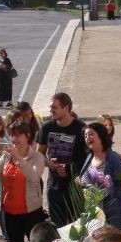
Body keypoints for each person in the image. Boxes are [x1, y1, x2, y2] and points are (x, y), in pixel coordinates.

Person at [0, 121, 47, 242]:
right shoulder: (6, 156)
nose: (14, 139)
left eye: (18, 135)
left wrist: (19, 158)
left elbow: (34, 177)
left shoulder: (37, 157)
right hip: (9, 213)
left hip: (31, 212)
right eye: (12, 135)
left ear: (28, 136)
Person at [37, 93, 86, 227]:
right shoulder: (47, 127)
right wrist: (50, 164)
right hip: (54, 187)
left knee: (77, 227)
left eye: (54, 107)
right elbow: (40, 154)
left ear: (66, 108)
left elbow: (88, 158)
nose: (51, 111)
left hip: (75, 188)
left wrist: (69, 169)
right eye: (50, 107)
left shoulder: (81, 129)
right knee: (58, 227)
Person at [79, 122, 121, 230]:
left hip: (112, 219)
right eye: (85, 136)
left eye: (91, 134)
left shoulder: (114, 159)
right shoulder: (89, 157)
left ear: (101, 136)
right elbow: (87, 181)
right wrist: (81, 181)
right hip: (93, 217)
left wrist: (106, 189)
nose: (87, 138)